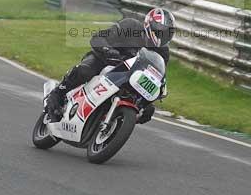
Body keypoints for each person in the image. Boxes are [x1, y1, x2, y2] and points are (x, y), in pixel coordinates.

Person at [45, 8, 176, 123]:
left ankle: (118, 121)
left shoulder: (163, 52)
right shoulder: (130, 26)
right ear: (149, 24)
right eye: (160, 32)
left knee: (148, 110)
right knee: (84, 71)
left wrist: (161, 86)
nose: (162, 37)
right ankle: (57, 93)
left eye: (166, 34)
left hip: (129, 76)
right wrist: (108, 50)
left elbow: (159, 73)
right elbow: (99, 37)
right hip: (104, 60)